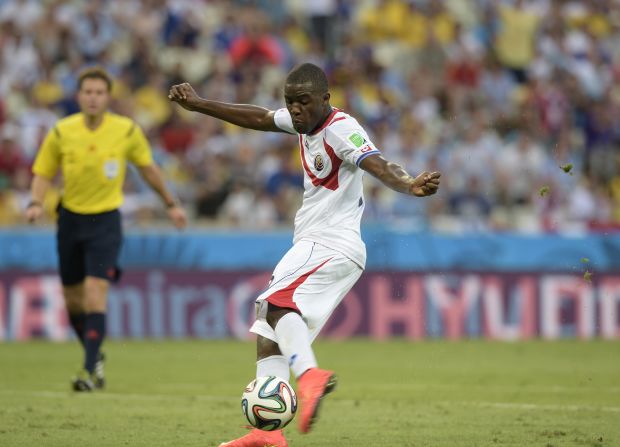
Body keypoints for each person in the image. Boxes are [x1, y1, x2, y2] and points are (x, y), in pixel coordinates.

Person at [169, 63, 440, 447]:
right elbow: (259, 118)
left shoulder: (340, 127)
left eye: (303, 103)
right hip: (313, 244)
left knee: (276, 302)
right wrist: (199, 105)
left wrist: (409, 183)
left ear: (325, 100)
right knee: (268, 331)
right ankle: (269, 435)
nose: (294, 110)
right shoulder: (304, 123)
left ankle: (309, 375)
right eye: (290, 102)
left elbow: (378, 163)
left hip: (333, 243)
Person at [27, 66, 187, 392]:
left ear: (107, 97)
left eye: (99, 92)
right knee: (73, 300)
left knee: (95, 293)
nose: (93, 98)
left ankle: (87, 371)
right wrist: (34, 201)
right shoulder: (62, 131)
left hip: (106, 223)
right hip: (69, 219)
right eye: (87, 92)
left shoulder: (126, 131)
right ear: (79, 96)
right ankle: (95, 355)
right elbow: (43, 171)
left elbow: (148, 169)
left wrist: (171, 203)